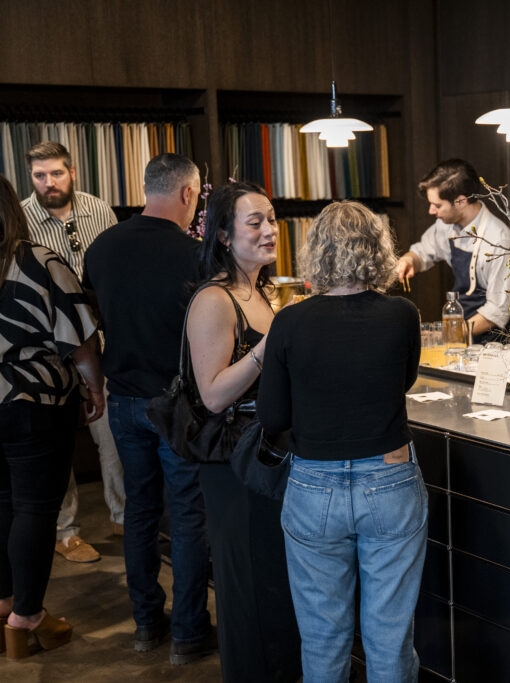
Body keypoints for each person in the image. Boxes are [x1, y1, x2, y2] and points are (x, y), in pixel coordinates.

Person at [258, 200, 426, 682]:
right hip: (390, 479)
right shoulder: (401, 314)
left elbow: (271, 416)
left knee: (323, 638)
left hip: (313, 484)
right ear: (379, 249)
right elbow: (404, 381)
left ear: (317, 252)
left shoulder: (289, 321)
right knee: (390, 638)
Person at [82, 154, 216, 664]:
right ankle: (187, 633)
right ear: (187, 194)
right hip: (177, 401)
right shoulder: (195, 255)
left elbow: (92, 319)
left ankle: (145, 624)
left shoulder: (102, 246)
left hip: (124, 397)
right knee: (186, 515)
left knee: (139, 511)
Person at [186, 181, 301, 681]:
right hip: (233, 463)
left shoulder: (262, 292)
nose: (269, 230)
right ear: (225, 236)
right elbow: (212, 394)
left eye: (271, 219)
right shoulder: (214, 299)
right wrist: (271, 343)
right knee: (246, 585)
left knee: (274, 578)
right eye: (254, 222)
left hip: (266, 457)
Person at [0, 174, 105, 657]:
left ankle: (3, 606)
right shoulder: (37, 260)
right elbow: (79, 335)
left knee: (2, 503)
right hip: (34, 405)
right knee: (35, 508)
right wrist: (94, 384)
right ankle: (27, 617)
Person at [21, 141, 126, 564]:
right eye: (40, 176)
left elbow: (117, 268)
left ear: (73, 171)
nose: (49, 183)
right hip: (50, 341)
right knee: (58, 439)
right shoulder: (23, 218)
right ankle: (66, 532)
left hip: (102, 334)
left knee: (111, 433)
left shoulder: (99, 210)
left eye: (56, 173)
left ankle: (123, 515)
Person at [394, 159, 510, 344]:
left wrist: (448, 336)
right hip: (460, 331)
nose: (431, 211)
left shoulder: (499, 242)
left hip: (492, 342)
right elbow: (423, 252)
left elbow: (497, 312)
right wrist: (409, 260)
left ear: (461, 201)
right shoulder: (447, 226)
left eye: (437, 206)